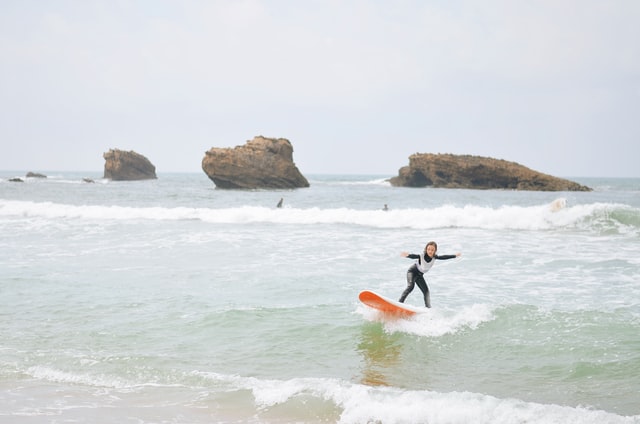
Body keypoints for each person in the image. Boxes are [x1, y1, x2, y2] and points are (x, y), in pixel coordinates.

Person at [399, 241, 461, 308]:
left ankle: (428, 309)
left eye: (432, 250)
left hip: (420, 275)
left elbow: (444, 257)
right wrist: (407, 255)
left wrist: (455, 256)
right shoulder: (421, 256)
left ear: (435, 251)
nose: (430, 251)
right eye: (428, 249)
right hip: (412, 272)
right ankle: (399, 303)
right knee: (411, 286)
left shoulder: (434, 257)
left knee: (426, 292)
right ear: (426, 249)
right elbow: (414, 256)